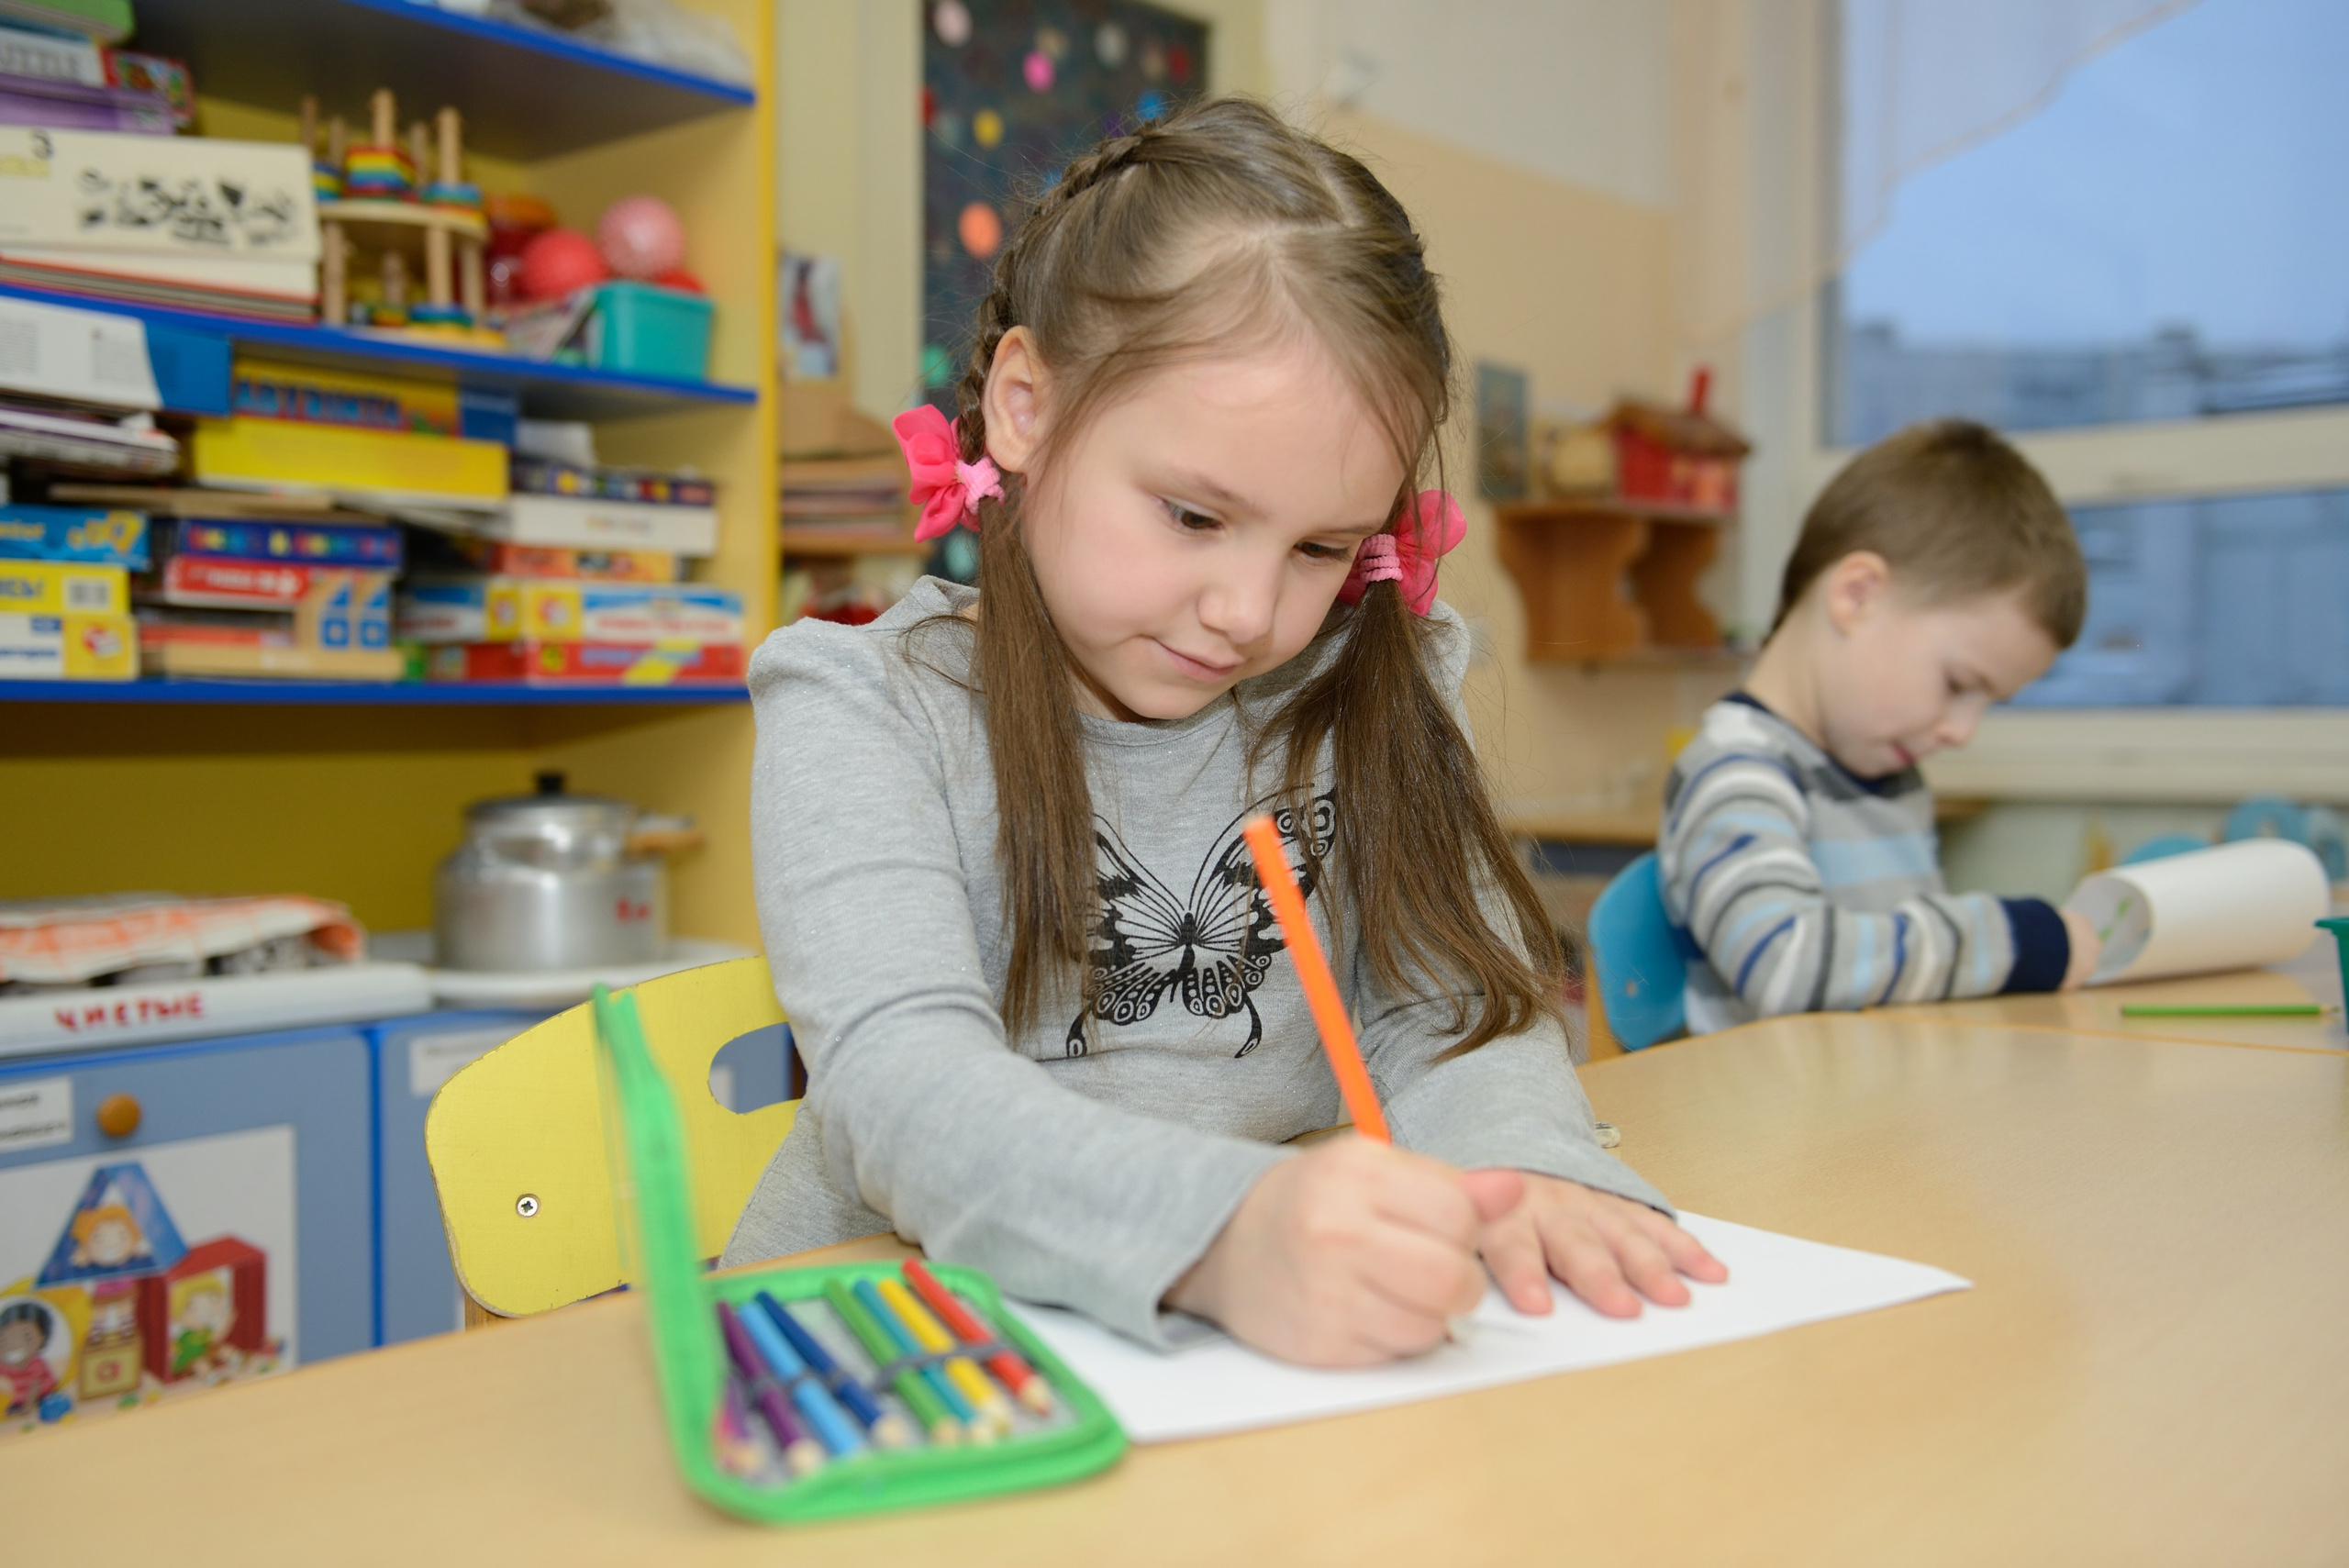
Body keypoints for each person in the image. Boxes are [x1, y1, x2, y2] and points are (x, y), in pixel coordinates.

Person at [723, 97, 1721, 1366]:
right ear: (1024, 406)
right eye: (1195, 516)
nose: (1249, 612)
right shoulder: (860, 707)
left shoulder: (1370, 685)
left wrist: (1524, 1166)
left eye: (1321, 547)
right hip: (887, 1355)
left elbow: (1448, 1011)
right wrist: (1219, 1235)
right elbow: (903, 1091)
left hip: (1230, 1367)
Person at [1660, 418, 2099, 1036]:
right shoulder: (1737, 770)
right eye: (1958, 684)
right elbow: (1784, 965)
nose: (1963, 731)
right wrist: (2014, 941)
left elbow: (1903, 972)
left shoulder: (1892, 779)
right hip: (1777, 1097)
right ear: (1858, 595)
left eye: (1989, 702)